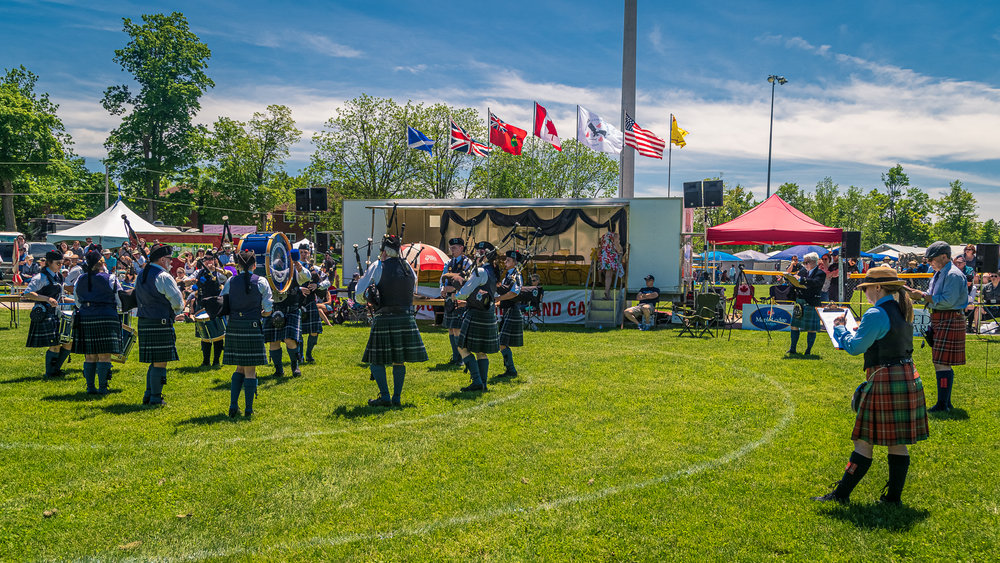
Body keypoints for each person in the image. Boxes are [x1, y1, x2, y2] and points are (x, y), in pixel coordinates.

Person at [813, 266, 929, 506]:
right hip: (907, 375)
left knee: (863, 441)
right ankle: (893, 498)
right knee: (898, 442)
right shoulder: (902, 308)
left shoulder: (876, 313)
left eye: (866, 288)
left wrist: (840, 329)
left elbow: (855, 348)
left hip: (885, 377)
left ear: (878, 287)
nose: (865, 292)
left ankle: (841, 495)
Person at [355, 233, 428, 407]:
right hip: (406, 317)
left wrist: (367, 300)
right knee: (399, 359)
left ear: (384, 252)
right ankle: (396, 397)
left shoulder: (377, 266)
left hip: (385, 318)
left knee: (376, 360)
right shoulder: (408, 268)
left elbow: (359, 293)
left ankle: (386, 397)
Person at [905, 241, 968, 413]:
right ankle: (946, 403)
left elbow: (948, 301)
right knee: (942, 362)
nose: (930, 261)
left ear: (944, 256)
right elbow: (933, 296)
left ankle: (942, 404)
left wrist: (923, 296)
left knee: (941, 362)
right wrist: (917, 295)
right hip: (942, 319)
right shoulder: (939, 274)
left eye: (932, 258)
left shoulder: (953, 275)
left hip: (949, 317)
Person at [222, 249, 273, 418]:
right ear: (254, 265)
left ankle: (233, 405)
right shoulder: (262, 281)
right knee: (250, 370)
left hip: (235, 326)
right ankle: (249, 410)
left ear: (238, 265)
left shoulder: (231, 281)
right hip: (252, 326)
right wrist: (262, 314)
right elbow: (268, 308)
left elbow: (223, 302)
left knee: (239, 367)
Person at [135, 244, 186, 406]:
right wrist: (179, 309)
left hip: (144, 320)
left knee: (154, 360)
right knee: (160, 361)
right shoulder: (163, 276)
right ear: (163, 260)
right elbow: (177, 302)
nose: (171, 262)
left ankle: (148, 394)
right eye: (170, 259)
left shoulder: (142, 273)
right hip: (160, 321)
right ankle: (156, 398)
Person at [72, 248, 123, 394]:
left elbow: (77, 300)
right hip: (106, 316)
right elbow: (119, 299)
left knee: (90, 355)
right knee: (104, 355)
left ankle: (90, 388)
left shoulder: (80, 279)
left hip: (86, 316)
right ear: (101, 263)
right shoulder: (110, 278)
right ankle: (102, 388)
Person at [454, 241, 502, 392]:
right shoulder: (492, 271)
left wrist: (455, 295)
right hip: (487, 313)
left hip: (475, 312)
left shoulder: (480, 271)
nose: (475, 254)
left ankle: (477, 381)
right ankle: (483, 384)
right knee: (481, 351)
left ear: (483, 254)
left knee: (462, 347)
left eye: (478, 252)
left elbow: (464, 292)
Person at [24, 251, 73, 378]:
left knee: (68, 343)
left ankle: (55, 369)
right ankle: (50, 373)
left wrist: (75, 301)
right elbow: (28, 293)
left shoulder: (59, 277)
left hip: (58, 314)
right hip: (45, 314)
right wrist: (47, 299)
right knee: (55, 344)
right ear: (49, 263)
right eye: (58, 263)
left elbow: (60, 298)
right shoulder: (41, 277)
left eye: (61, 263)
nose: (60, 266)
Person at [264, 248, 312, 378]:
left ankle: (294, 366)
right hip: (275, 306)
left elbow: (307, 277)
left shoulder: (295, 269)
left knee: (289, 339)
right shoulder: (271, 269)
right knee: (274, 341)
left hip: (291, 306)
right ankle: (278, 370)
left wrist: (298, 266)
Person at [186, 251, 228, 368]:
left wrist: (216, 269)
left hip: (216, 306)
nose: (208, 261)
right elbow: (188, 280)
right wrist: (191, 282)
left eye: (211, 259)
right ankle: (205, 361)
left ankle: (216, 360)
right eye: (206, 259)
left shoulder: (219, 273)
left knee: (218, 334)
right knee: (204, 334)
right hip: (202, 305)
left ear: (215, 260)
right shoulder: (198, 272)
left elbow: (227, 275)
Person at [439, 237, 474, 366]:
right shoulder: (448, 263)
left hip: (460, 299)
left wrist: (453, 288)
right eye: (450, 248)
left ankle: (461, 358)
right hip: (449, 299)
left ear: (461, 248)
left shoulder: (467, 263)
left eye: (454, 248)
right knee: (450, 329)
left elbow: (469, 282)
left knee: (457, 329)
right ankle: (455, 357)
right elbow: (442, 278)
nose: (452, 250)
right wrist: (442, 289)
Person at [495, 250, 526, 378]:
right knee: (502, 342)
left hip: (513, 310)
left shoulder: (517, 276)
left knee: (502, 342)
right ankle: (510, 369)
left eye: (508, 260)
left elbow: (514, 293)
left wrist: (499, 299)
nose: (505, 262)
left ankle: (511, 370)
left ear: (515, 262)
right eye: (505, 260)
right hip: (508, 311)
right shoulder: (508, 275)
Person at [788, 252, 825, 356]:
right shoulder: (803, 271)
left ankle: (808, 350)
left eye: (806, 262)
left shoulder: (820, 273)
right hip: (800, 301)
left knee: (811, 329)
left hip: (812, 302)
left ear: (813, 262)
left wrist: (801, 280)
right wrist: (792, 279)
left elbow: (815, 282)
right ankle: (792, 349)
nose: (804, 265)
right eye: (803, 262)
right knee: (794, 326)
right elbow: (796, 281)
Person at [296, 245, 324, 363]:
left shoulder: (315, 268)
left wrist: (317, 285)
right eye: (301, 252)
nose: (303, 254)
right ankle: (300, 356)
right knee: (299, 331)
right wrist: (299, 288)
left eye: (305, 252)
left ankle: (309, 354)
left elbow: (326, 280)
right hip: (298, 302)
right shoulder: (293, 268)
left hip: (311, 301)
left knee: (314, 331)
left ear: (309, 254)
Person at [598, 230, 623, 300]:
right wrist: (620, 251)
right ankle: (607, 291)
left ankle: (607, 291)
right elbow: (616, 243)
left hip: (604, 256)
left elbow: (601, 244)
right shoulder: (615, 235)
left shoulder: (603, 236)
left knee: (607, 275)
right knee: (610, 275)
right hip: (611, 256)